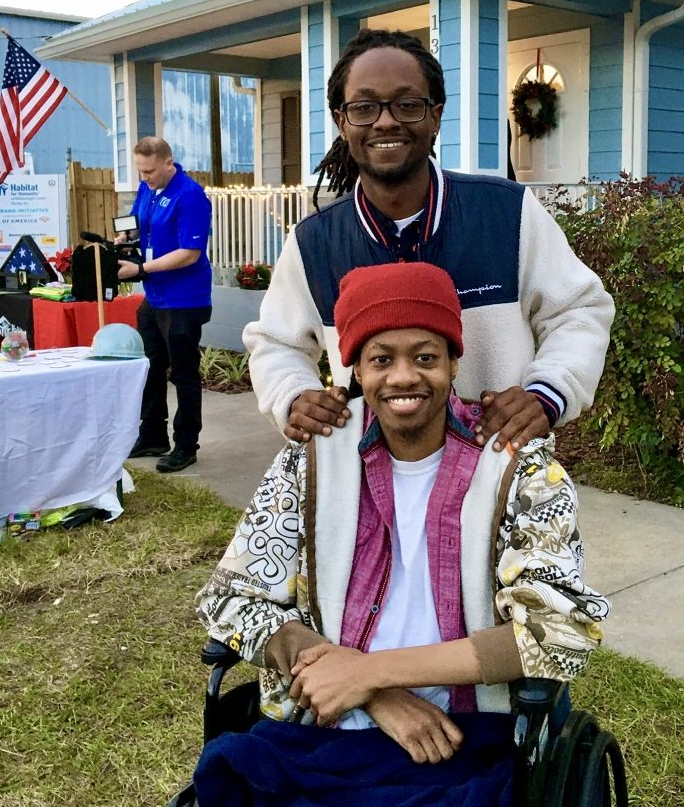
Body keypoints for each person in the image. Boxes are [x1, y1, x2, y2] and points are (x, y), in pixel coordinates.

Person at [195, 262, 609, 804]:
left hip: (466, 738)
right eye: (381, 359)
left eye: (426, 357)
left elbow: (558, 631)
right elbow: (232, 597)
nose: (404, 377)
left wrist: (366, 673)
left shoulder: (516, 465)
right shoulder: (312, 460)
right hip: (320, 730)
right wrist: (375, 695)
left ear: (455, 362)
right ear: (355, 371)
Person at [243, 28, 614, 455]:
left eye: (407, 105)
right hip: (368, 491)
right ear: (342, 121)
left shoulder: (506, 213)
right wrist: (293, 395)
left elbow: (579, 310)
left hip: (497, 472)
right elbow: (275, 342)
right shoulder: (316, 241)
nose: (386, 120)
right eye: (364, 107)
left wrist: (548, 392)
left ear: (435, 116)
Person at [118, 136, 212, 473]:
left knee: (183, 373)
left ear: (168, 162)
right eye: (141, 172)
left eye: (150, 171)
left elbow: (189, 253)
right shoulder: (148, 188)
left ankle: (186, 445)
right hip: (154, 297)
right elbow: (137, 223)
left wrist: (140, 268)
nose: (145, 177)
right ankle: (153, 435)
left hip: (184, 299)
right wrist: (126, 238)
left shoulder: (190, 196)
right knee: (151, 367)